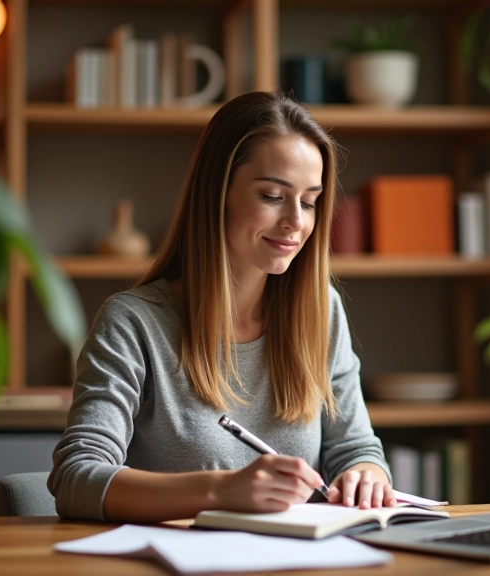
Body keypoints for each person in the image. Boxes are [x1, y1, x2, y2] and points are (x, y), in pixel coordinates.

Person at [48, 92, 393, 523]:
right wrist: (220, 491)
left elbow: (356, 449)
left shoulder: (322, 311)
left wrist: (366, 474)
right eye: (272, 195)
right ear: (218, 193)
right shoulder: (133, 322)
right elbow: (76, 477)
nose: (296, 221)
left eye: (309, 202)